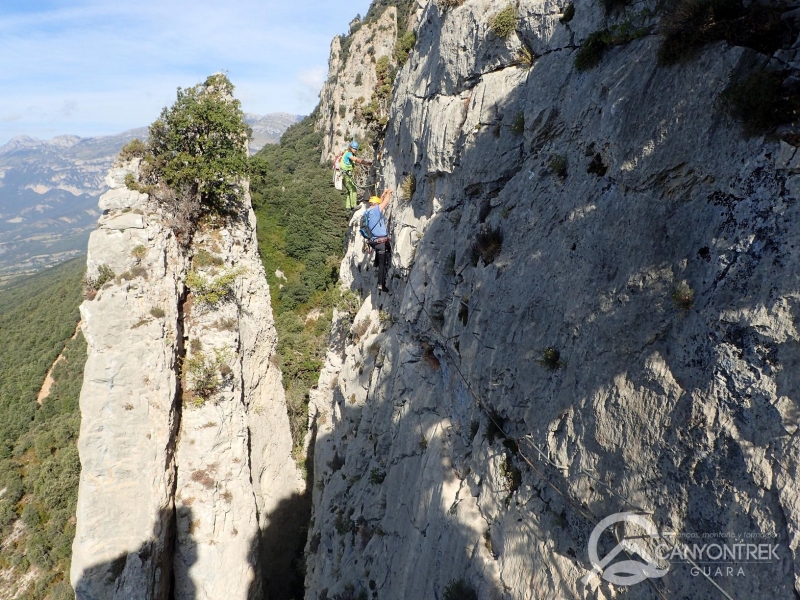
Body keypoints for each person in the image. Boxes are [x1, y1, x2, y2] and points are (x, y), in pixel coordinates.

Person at [364, 189, 393, 293]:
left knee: (385, 250)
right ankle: (381, 284)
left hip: (373, 242)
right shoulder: (376, 211)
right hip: (381, 242)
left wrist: (383, 194)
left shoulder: (367, 212)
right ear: (376, 205)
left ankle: (376, 262)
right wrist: (389, 193)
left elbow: (379, 202)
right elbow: (385, 203)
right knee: (383, 264)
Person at [340, 140, 372, 210]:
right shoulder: (348, 154)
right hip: (345, 175)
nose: (355, 150)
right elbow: (356, 160)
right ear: (350, 147)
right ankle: (353, 206)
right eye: (353, 148)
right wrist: (366, 163)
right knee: (353, 189)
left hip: (347, 175)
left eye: (356, 149)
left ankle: (348, 206)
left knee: (350, 190)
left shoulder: (348, 153)